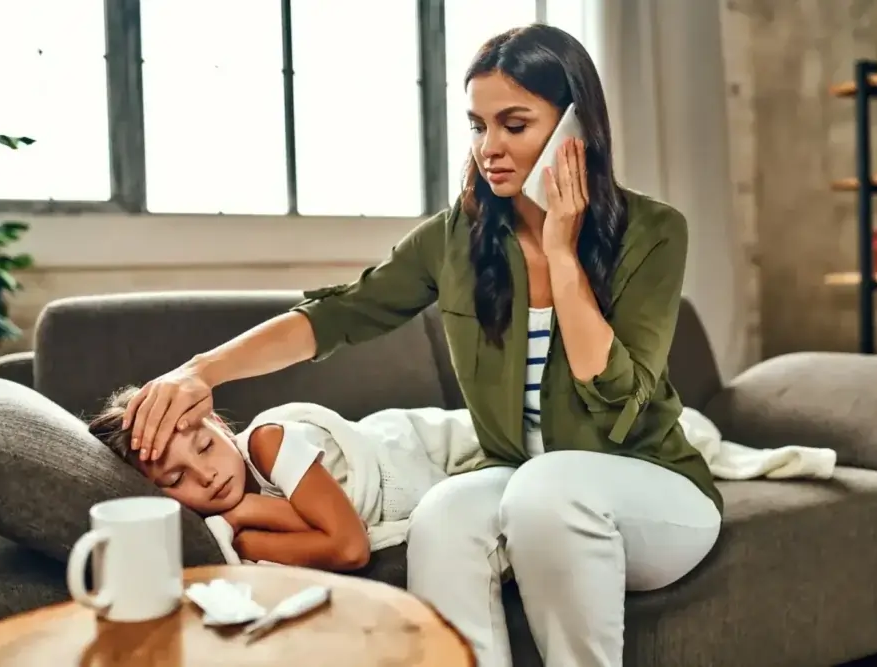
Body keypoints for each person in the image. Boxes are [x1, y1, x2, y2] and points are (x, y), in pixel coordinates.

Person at [122, 23, 722, 667]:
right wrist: (200, 371)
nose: (489, 147)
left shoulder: (656, 232)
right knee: (445, 512)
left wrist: (563, 256)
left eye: (514, 125)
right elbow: (338, 314)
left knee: (546, 487)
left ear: (576, 128)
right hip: (525, 486)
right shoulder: (456, 239)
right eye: (477, 125)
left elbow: (619, 393)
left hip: (654, 493)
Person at [88, 386, 372, 571]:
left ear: (219, 424)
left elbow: (350, 547)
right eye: (176, 479)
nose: (206, 476)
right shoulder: (212, 523)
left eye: (205, 447)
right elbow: (344, 528)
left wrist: (247, 531)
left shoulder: (268, 443)